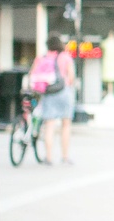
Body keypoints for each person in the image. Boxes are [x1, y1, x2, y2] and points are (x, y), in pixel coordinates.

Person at [26, 35, 77, 165]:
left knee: (49, 125)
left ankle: (48, 157)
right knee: (66, 125)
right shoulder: (65, 57)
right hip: (64, 92)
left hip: (48, 93)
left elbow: (32, 75)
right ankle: (65, 157)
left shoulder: (42, 58)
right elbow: (71, 77)